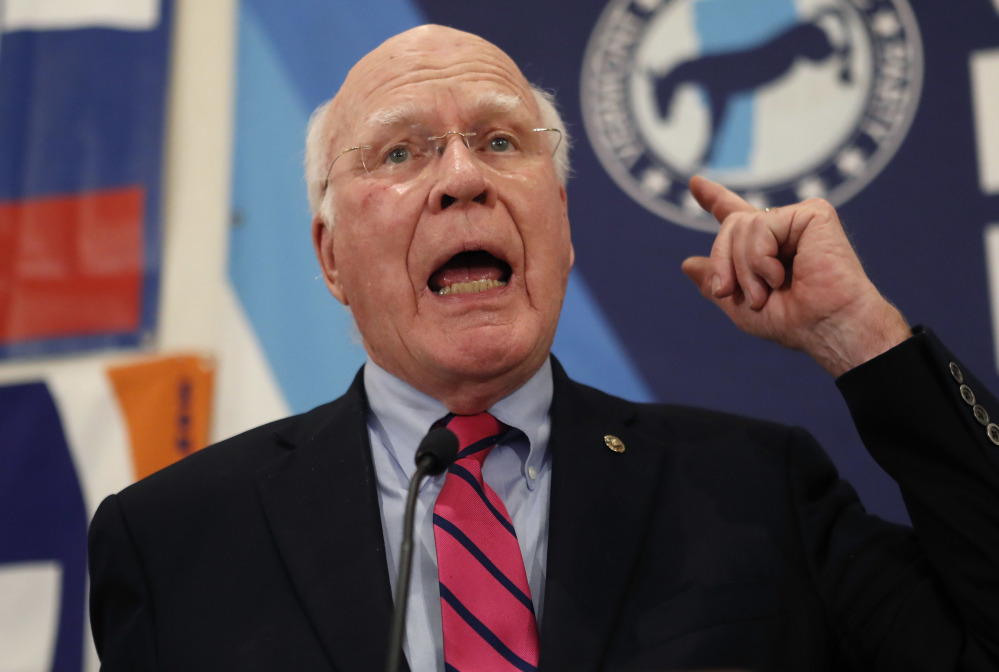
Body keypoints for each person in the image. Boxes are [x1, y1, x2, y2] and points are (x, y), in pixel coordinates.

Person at [88, 24, 999, 672]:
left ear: (559, 224)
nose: (460, 178)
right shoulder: (176, 542)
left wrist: (858, 336)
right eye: (400, 153)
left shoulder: (758, 491)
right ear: (330, 257)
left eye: (497, 140)